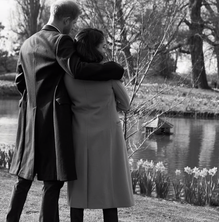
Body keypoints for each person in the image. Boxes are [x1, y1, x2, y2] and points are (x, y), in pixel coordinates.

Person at [6, 1, 124, 222]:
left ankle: (10, 219)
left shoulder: (27, 43)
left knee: (24, 178)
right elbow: (77, 69)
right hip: (53, 119)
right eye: (74, 22)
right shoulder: (61, 41)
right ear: (67, 20)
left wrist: (35, 100)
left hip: (29, 119)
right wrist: (114, 69)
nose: (74, 27)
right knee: (52, 182)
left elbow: (20, 83)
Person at [64, 28, 134, 222]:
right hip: (108, 133)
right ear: (95, 47)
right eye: (103, 45)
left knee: (78, 188)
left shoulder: (68, 75)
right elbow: (126, 104)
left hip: (79, 132)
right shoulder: (108, 73)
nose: (105, 49)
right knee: (108, 188)